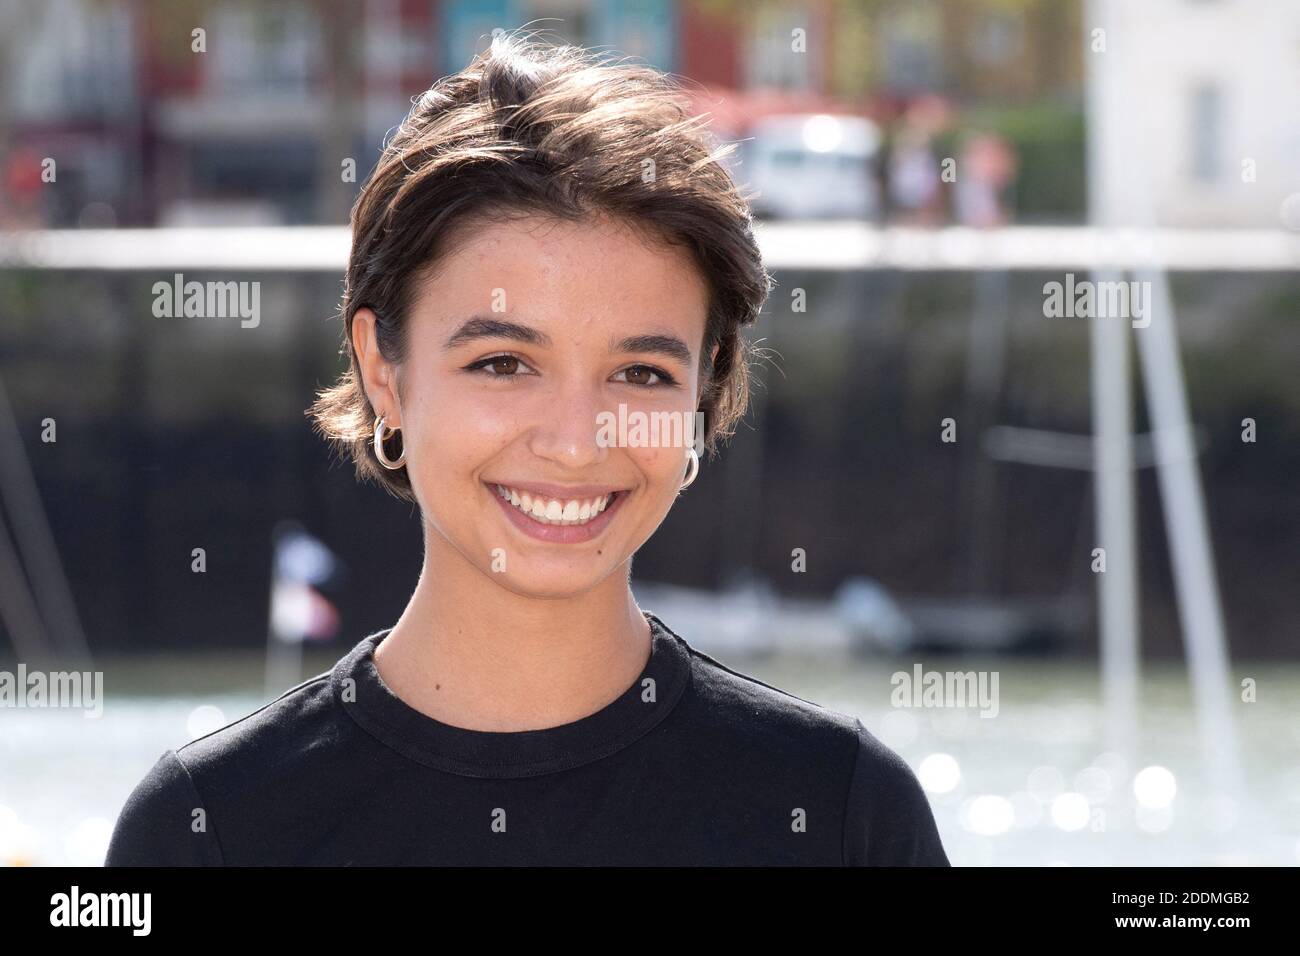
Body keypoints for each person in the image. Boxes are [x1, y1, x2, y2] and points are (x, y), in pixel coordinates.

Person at [105, 32, 949, 867]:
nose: (576, 442)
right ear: (382, 369)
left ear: (706, 386)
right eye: (503, 363)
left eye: (641, 373)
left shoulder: (843, 813)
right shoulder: (208, 829)